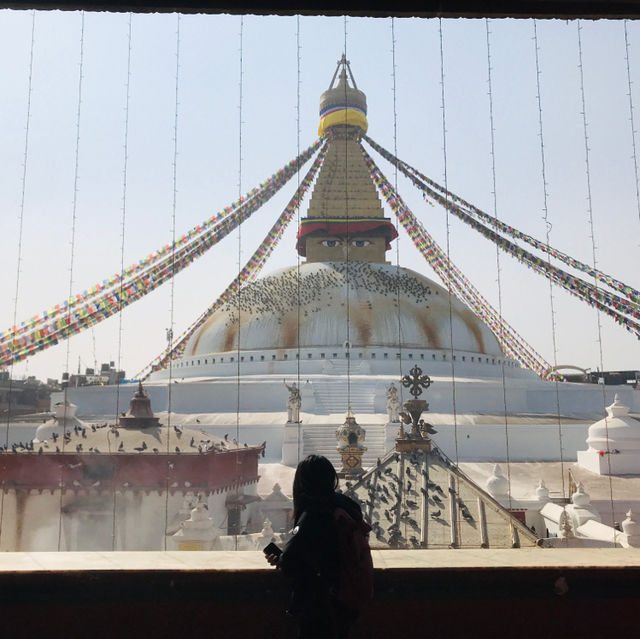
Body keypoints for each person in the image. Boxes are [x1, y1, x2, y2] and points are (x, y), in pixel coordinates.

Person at [265, 455, 365, 639]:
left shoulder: (311, 514)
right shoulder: (346, 505)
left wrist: (279, 558)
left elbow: (288, 561)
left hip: (318, 605)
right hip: (346, 598)